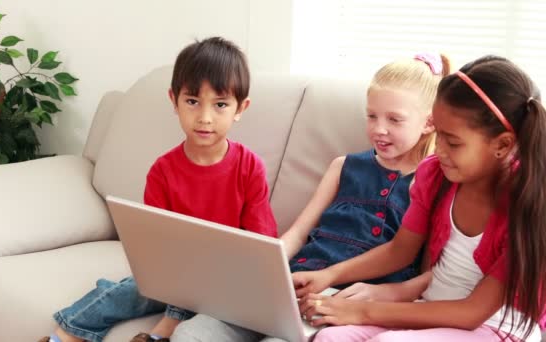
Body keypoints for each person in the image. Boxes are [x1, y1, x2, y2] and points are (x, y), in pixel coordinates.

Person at [169, 53, 450, 342]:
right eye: (371, 116)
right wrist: (264, 268)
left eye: (394, 120)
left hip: (348, 303)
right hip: (297, 282)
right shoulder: (343, 167)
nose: (379, 129)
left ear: (428, 122)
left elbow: (430, 272)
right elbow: (298, 234)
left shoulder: (435, 183)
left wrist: (382, 297)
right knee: (192, 332)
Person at [38, 36, 278, 342]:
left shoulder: (249, 167)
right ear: (174, 101)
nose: (205, 117)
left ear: (240, 108)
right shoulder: (163, 170)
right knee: (123, 290)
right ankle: (65, 335)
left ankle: (166, 329)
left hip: (223, 282)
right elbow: (155, 248)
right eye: (192, 102)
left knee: (196, 287)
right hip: (174, 277)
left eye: (220, 105)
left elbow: (261, 247)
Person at [299, 56, 546, 342]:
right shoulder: (436, 174)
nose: (439, 149)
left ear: (502, 145)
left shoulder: (530, 205)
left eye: (452, 142)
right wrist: (328, 275)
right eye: (438, 134)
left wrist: (363, 311)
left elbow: (471, 313)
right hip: (432, 311)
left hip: (496, 328)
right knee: (330, 337)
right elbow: (399, 251)